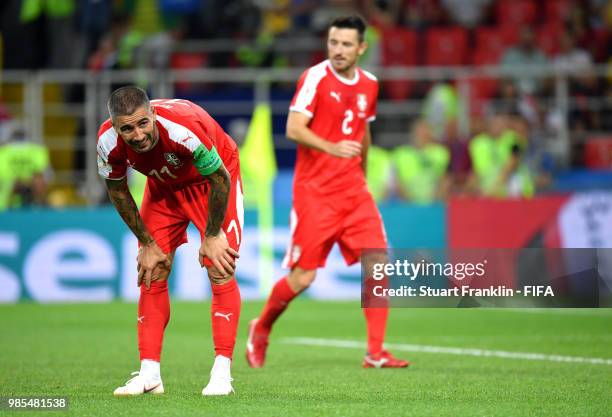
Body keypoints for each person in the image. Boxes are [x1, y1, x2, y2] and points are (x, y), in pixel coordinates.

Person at [246, 15, 409, 369]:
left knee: (378, 262)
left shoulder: (370, 84)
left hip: (354, 192)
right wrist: (332, 148)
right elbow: (293, 128)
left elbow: (364, 132)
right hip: (315, 194)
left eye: (346, 44)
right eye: (334, 43)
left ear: (361, 48)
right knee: (304, 277)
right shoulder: (315, 78)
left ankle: (375, 353)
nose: (338, 50)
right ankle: (261, 327)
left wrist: (362, 176)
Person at [97, 86, 243, 396]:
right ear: (114, 126)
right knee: (152, 271)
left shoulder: (182, 128)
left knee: (219, 266)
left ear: (153, 115)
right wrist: (147, 243)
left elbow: (219, 179)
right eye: (127, 128)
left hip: (213, 180)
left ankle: (221, 374)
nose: (137, 135)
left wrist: (213, 234)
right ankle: (149, 375)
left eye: (143, 123)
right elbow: (119, 191)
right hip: (163, 187)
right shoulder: (106, 142)